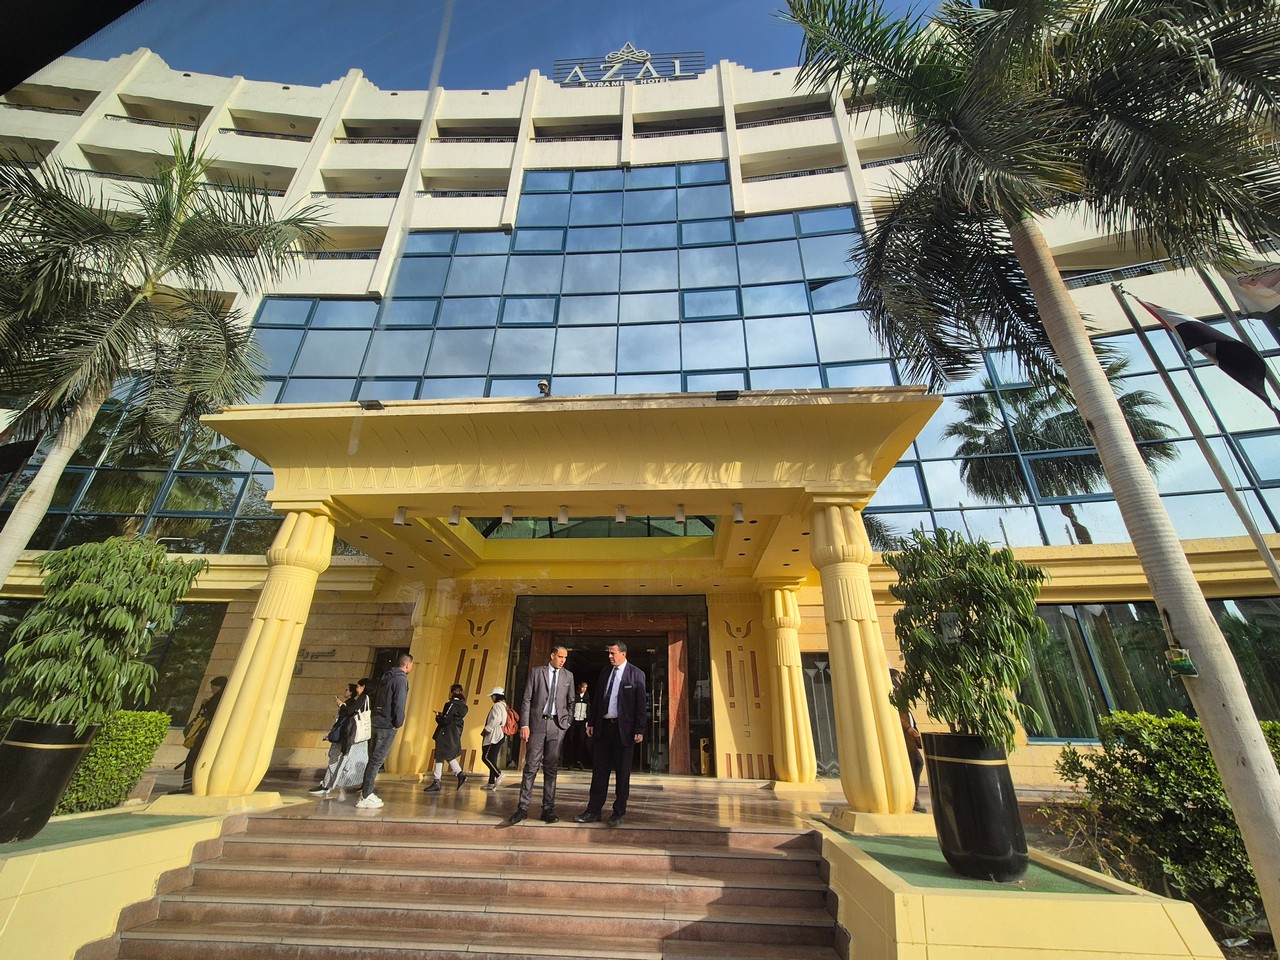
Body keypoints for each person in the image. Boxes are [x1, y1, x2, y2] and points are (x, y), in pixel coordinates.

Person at [576, 642, 646, 827]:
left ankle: (618, 812)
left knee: (622, 773)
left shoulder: (636, 674)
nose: (609, 656)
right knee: (599, 771)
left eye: (613, 653)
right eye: (609, 653)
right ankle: (593, 811)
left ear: (623, 653)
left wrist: (639, 729)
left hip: (624, 731)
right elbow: (598, 699)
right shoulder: (605, 672)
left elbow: (640, 705)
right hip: (603, 728)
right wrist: (591, 722)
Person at [509, 645, 575, 824]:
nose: (563, 660)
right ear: (552, 655)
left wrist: (567, 723)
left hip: (557, 725)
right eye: (560, 657)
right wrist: (524, 724)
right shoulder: (537, 672)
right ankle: (523, 807)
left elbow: (571, 701)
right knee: (531, 765)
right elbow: (527, 699)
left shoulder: (568, 676)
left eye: (565, 658)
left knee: (551, 768)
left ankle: (548, 808)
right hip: (537, 724)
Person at [357, 653, 413, 809]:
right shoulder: (400, 679)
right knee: (376, 760)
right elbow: (399, 703)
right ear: (408, 665)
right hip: (386, 724)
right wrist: (398, 722)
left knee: (372, 759)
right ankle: (366, 795)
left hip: (376, 721)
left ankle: (365, 791)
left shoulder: (386, 676)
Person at [309, 678, 371, 800]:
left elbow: (349, 712)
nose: (356, 689)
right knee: (344, 761)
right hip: (353, 737)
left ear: (363, 687)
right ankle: (330, 784)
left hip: (351, 737)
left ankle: (327, 785)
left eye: (358, 686)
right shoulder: (361, 700)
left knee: (338, 760)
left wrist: (341, 705)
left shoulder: (362, 698)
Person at [178, 675, 227, 792]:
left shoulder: (216, 699)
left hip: (206, 732)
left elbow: (209, 713)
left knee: (193, 757)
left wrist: (205, 704)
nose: (212, 690)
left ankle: (188, 783)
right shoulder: (224, 698)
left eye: (213, 688)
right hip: (215, 734)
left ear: (218, 687)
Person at [890, 668, 927, 813]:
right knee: (914, 764)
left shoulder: (900, 695)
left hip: (910, 739)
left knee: (916, 763)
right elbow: (894, 714)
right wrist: (907, 727)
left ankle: (913, 797)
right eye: (897, 677)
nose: (900, 680)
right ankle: (912, 798)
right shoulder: (892, 694)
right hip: (904, 739)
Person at [425, 683, 470, 791]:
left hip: (445, 733)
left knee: (440, 756)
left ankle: (438, 781)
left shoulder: (451, 704)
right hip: (453, 733)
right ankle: (459, 774)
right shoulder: (463, 706)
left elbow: (445, 720)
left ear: (453, 692)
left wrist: (438, 717)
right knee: (447, 755)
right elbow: (453, 718)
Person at [480, 686, 509, 789]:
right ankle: (491, 782)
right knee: (492, 758)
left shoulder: (497, 705)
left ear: (497, 696)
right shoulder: (504, 706)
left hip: (495, 734)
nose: (492, 698)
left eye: (493, 696)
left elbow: (496, 719)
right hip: (500, 734)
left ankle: (498, 774)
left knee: (486, 757)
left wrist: (487, 728)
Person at [565, 680, 591, 769]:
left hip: (582, 721)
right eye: (583, 687)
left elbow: (588, 709)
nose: (584, 689)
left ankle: (579, 760)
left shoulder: (587, 697)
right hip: (574, 720)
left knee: (581, 741)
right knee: (571, 740)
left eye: (586, 688)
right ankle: (570, 761)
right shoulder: (575, 696)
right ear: (579, 687)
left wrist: (588, 721)